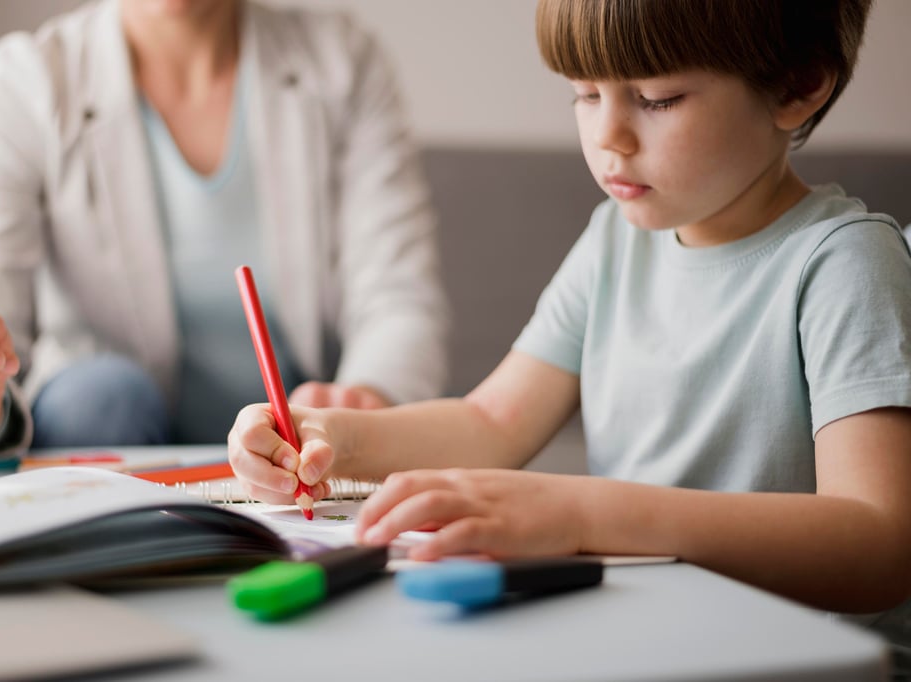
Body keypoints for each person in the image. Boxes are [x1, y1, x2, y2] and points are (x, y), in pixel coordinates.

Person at [228, 0, 911, 656]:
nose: (607, 136)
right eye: (585, 94)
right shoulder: (615, 240)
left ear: (799, 84)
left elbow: (881, 545)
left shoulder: (844, 263)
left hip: (807, 658)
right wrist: (330, 436)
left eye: (656, 98)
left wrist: (585, 515)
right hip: (657, 636)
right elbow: (491, 421)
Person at [0, 0, 448, 460]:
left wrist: (364, 401)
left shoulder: (345, 64)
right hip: (98, 439)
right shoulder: (23, 84)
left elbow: (397, 301)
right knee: (102, 400)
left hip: (295, 453)